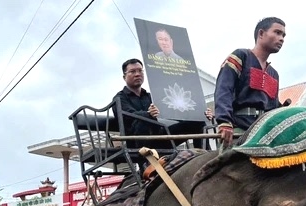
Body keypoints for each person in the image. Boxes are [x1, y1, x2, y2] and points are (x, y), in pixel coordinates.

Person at [112, 58, 214, 153]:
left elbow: (175, 110)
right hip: (137, 142)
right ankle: (146, 164)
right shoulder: (120, 98)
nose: (137, 74)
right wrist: (148, 114)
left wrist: (202, 113)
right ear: (124, 77)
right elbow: (127, 116)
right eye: (132, 71)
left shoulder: (151, 96)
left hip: (160, 137)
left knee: (197, 122)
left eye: (140, 71)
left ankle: (204, 155)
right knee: (143, 122)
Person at [214, 17, 287, 147]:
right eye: (277, 32)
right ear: (261, 34)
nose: (281, 38)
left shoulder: (274, 74)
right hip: (238, 129)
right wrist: (224, 121)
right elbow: (224, 89)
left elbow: (272, 108)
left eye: (283, 35)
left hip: (262, 133)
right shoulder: (241, 56)